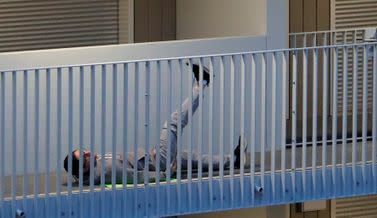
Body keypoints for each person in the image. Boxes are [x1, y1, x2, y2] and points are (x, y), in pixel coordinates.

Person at [63, 63, 248, 186]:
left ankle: (234, 160)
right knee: (173, 123)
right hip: (159, 163)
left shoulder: (95, 166)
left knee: (191, 158)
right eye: (84, 156)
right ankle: (201, 83)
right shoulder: (106, 170)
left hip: (153, 157)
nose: (87, 151)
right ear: (84, 167)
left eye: (83, 150)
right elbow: (136, 177)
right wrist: (164, 175)